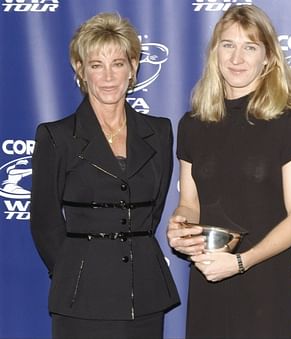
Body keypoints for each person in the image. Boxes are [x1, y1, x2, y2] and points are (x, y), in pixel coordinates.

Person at [166, 4, 291, 339]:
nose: (237, 58)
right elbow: (190, 202)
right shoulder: (192, 124)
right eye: (228, 45)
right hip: (208, 279)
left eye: (250, 47)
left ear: (268, 58)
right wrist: (180, 227)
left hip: (264, 284)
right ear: (214, 52)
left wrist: (240, 262)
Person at [30, 12, 179, 339]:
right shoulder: (56, 136)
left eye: (118, 63)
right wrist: (76, 269)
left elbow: (152, 211)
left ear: (133, 67)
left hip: (144, 294)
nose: (108, 76)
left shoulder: (159, 132)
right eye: (96, 65)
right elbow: (44, 222)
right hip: (82, 295)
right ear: (80, 71)